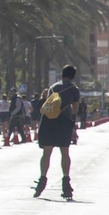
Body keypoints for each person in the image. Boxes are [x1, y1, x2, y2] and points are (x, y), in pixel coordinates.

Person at [34, 65, 82, 200]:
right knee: (64, 152)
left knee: (46, 152)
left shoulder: (52, 87)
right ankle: (66, 182)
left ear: (62, 74)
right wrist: (73, 126)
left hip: (48, 121)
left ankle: (42, 179)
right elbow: (75, 110)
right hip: (64, 122)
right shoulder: (74, 90)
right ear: (73, 76)